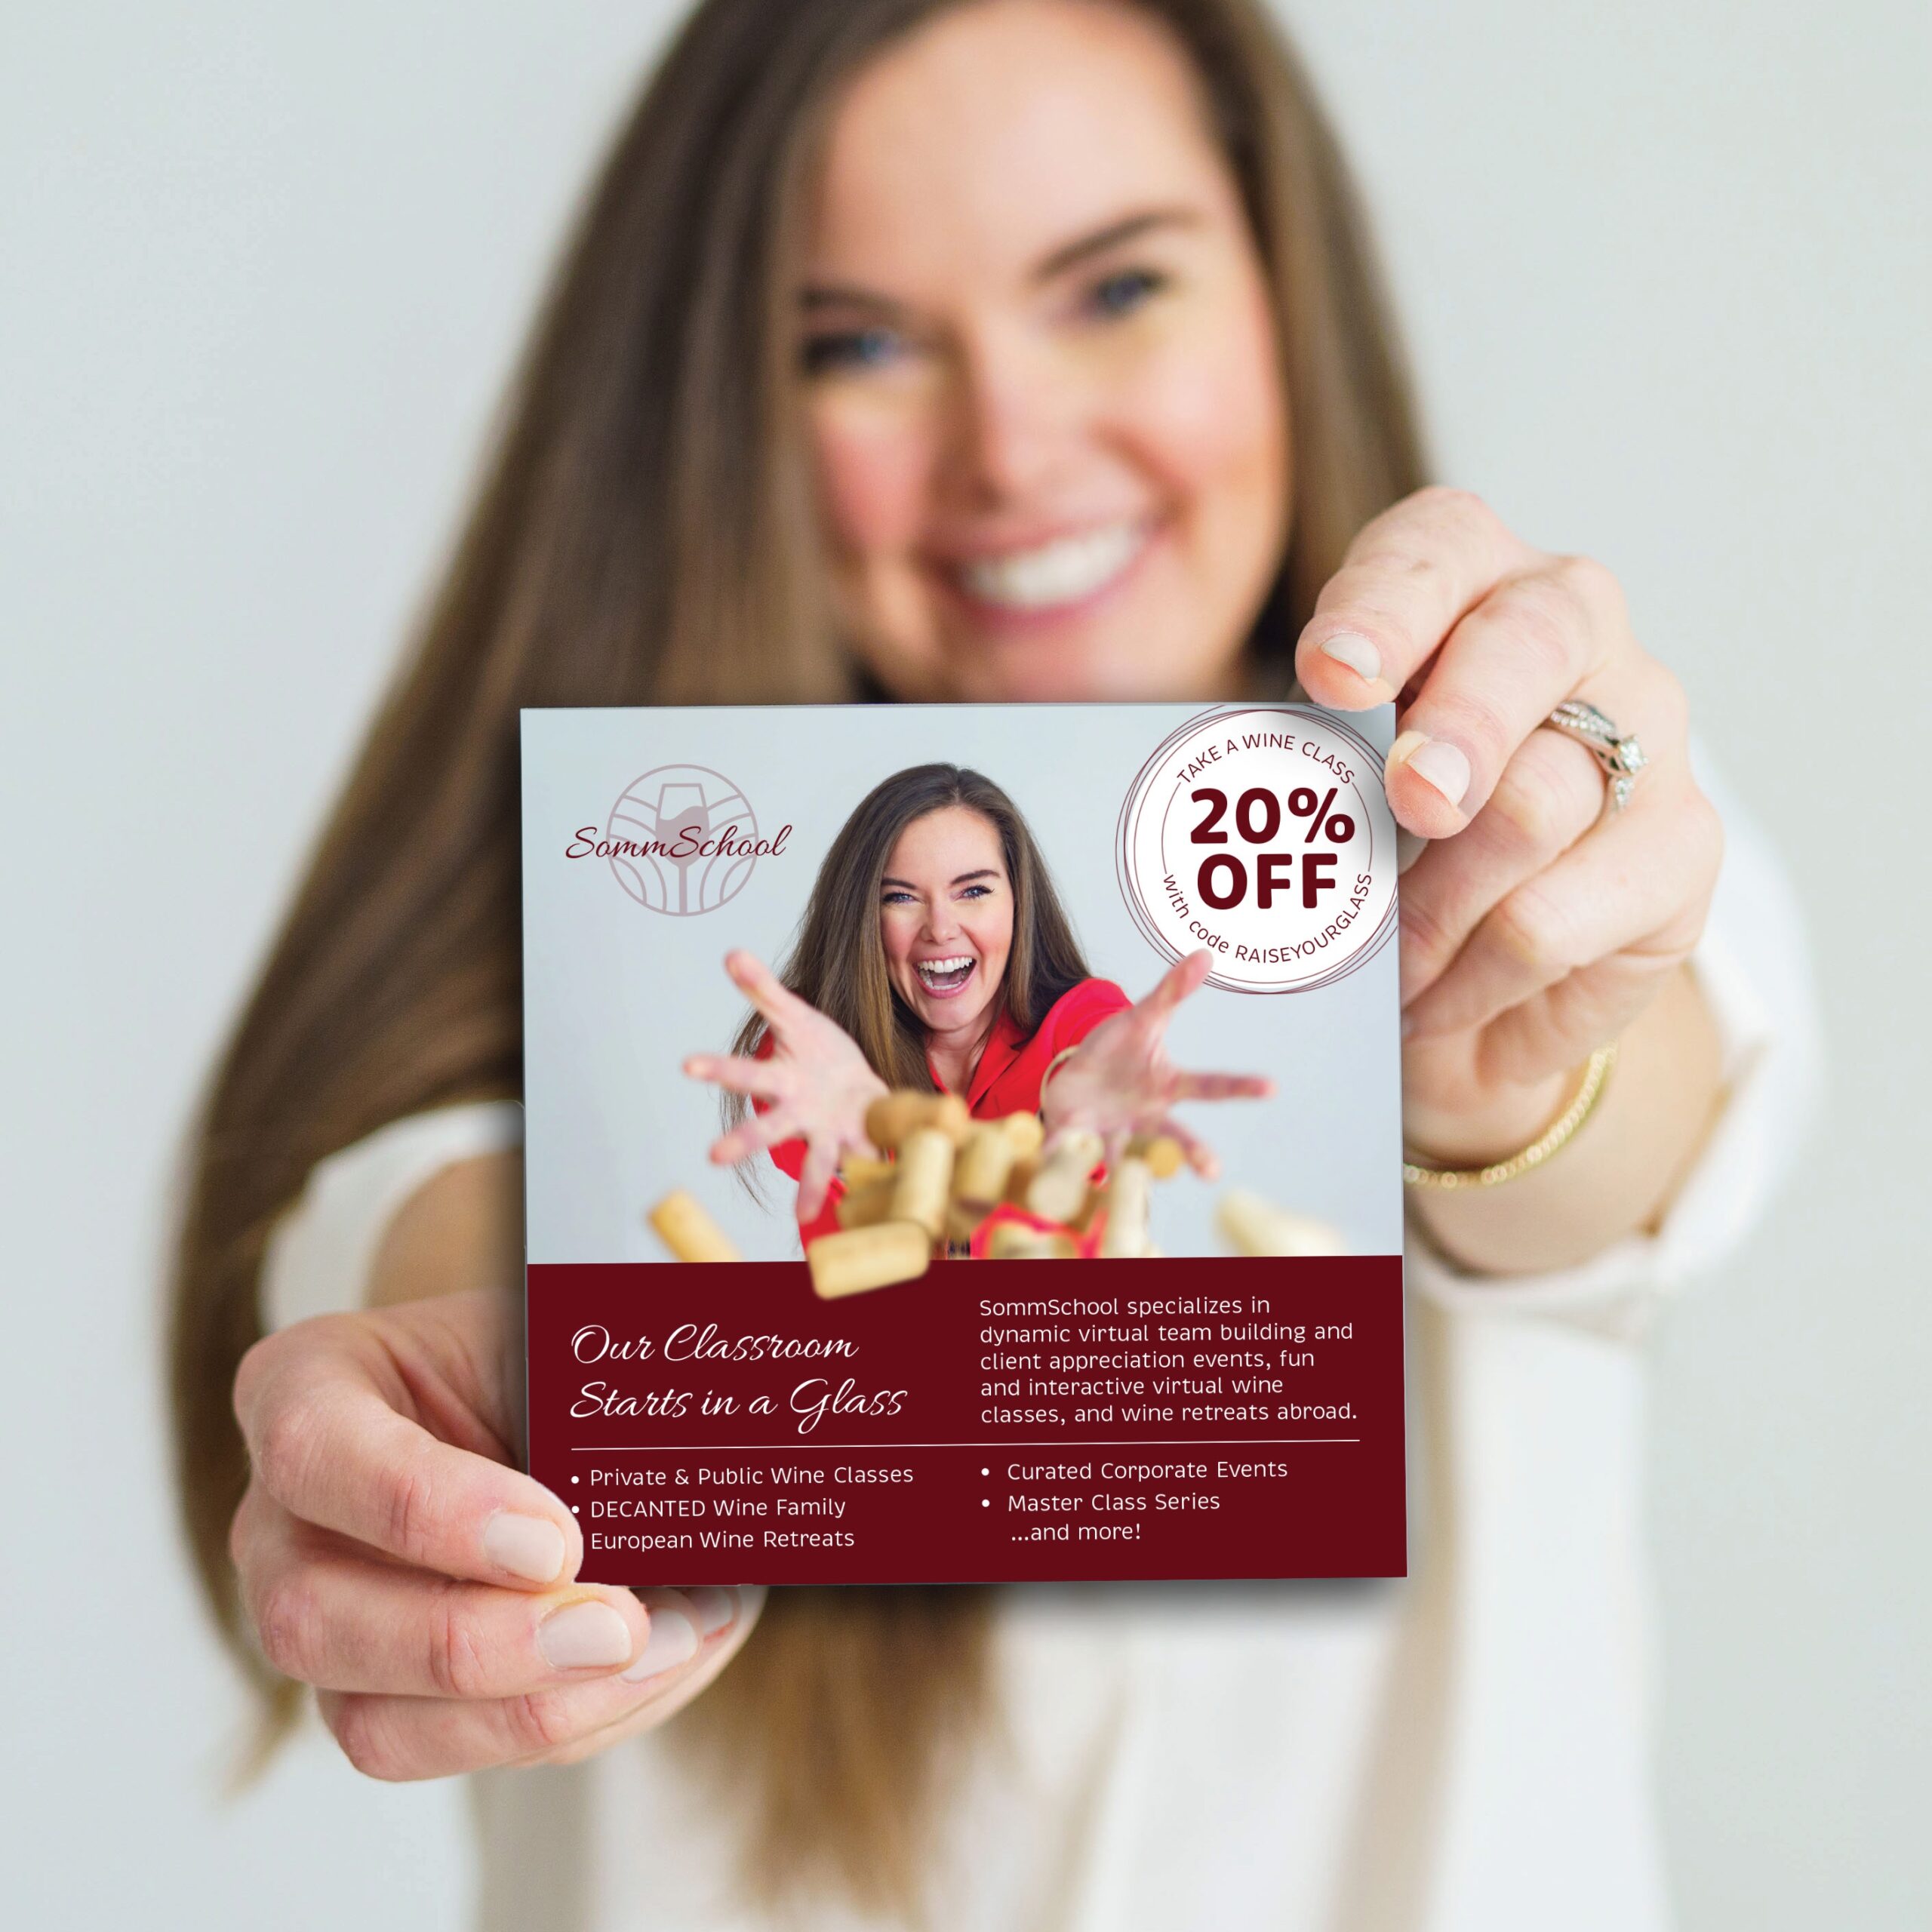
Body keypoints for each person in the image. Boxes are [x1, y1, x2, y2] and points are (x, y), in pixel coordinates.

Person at [168, 1, 1813, 1926]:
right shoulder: (595, 966)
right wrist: (518, 1392)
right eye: (858, 342)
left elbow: (1646, 1134)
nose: (1012, 450)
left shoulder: (1543, 814)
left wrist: (1495, 1062)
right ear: (722, 416)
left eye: (1111, 287)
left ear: (1283, 296)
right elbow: (423, 1206)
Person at [690, 761, 1269, 1244]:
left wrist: (1071, 1131)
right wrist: (860, 1153)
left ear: (1019, 903)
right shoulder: (811, 1055)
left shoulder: (1082, 1024)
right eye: (900, 897)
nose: (941, 928)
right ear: (862, 919)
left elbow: (1094, 1037)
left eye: (973, 891)